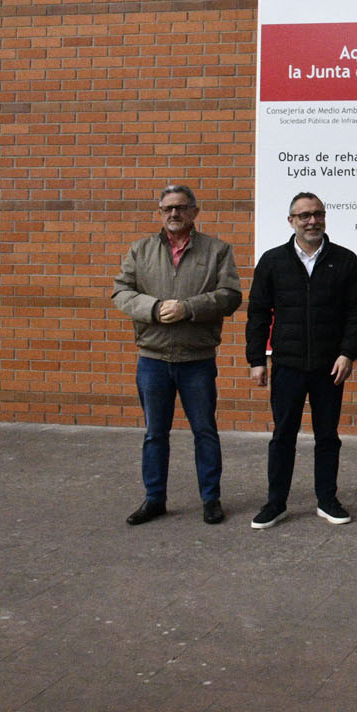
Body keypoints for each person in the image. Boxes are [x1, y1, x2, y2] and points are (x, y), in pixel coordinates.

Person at [112, 185, 242, 526]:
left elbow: (230, 296)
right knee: (155, 433)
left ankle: (211, 499)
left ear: (194, 212)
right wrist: (154, 308)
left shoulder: (217, 250)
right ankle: (154, 498)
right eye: (168, 208)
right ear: (159, 213)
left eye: (181, 208)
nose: (174, 214)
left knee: (205, 431)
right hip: (152, 358)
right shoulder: (140, 251)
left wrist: (189, 308)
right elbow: (120, 292)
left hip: (196, 359)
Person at [245, 192, 357, 529]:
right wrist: (257, 359)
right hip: (287, 365)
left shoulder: (344, 260)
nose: (312, 221)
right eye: (304, 216)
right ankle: (276, 503)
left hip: (330, 367)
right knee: (283, 435)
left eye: (317, 214)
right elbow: (257, 313)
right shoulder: (273, 261)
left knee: (327, 436)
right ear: (291, 221)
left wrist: (348, 353)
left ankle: (327, 500)